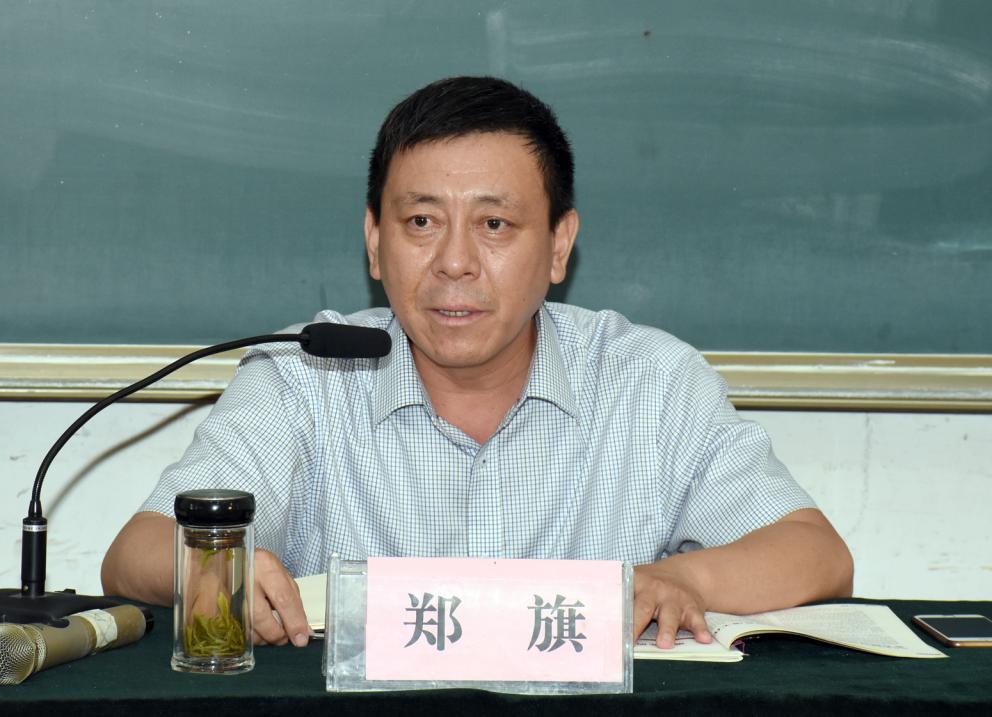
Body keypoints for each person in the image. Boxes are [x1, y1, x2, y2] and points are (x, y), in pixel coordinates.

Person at [102, 76, 852, 651]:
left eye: (494, 224)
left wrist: (681, 578)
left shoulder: (649, 381)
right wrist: (221, 569)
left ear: (558, 245)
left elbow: (816, 554)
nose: (454, 262)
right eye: (421, 221)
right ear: (375, 242)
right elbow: (134, 555)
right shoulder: (304, 374)